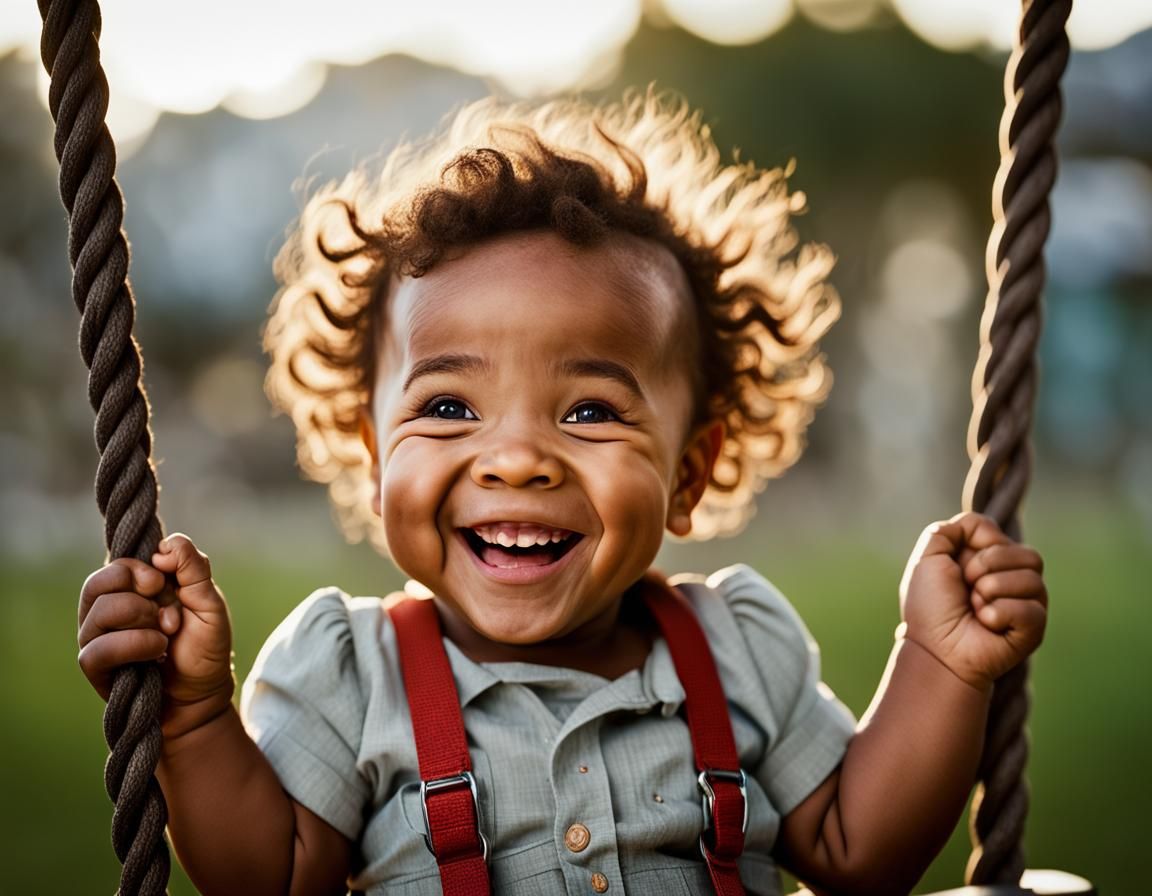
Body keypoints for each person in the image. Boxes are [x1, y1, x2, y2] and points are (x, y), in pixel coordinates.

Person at [76, 92, 1047, 896]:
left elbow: (858, 848)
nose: (517, 459)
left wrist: (941, 661)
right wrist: (194, 719)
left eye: (587, 411)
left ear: (690, 468)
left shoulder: (737, 647)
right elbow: (274, 877)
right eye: (451, 404)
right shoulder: (349, 671)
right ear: (377, 455)